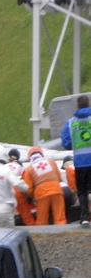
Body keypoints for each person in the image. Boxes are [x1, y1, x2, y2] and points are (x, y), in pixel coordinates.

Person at [61, 94, 91, 226]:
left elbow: (66, 143)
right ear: (88, 104)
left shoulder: (71, 122)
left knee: (82, 191)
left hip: (80, 163)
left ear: (77, 106)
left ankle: (84, 217)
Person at [21, 147, 67, 225]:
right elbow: (59, 177)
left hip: (41, 193)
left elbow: (28, 188)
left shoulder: (29, 169)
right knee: (60, 217)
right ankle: (63, 234)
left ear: (29, 157)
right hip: (56, 190)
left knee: (42, 220)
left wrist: (32, 197)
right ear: (41, 154)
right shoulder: (51, 162)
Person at [7, 148, 35, 225]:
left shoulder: (4, 165)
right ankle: (32, 228)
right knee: (26, 214)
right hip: (17, 190)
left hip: (5, 191)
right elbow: (25, 180)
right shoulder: (20, 166)